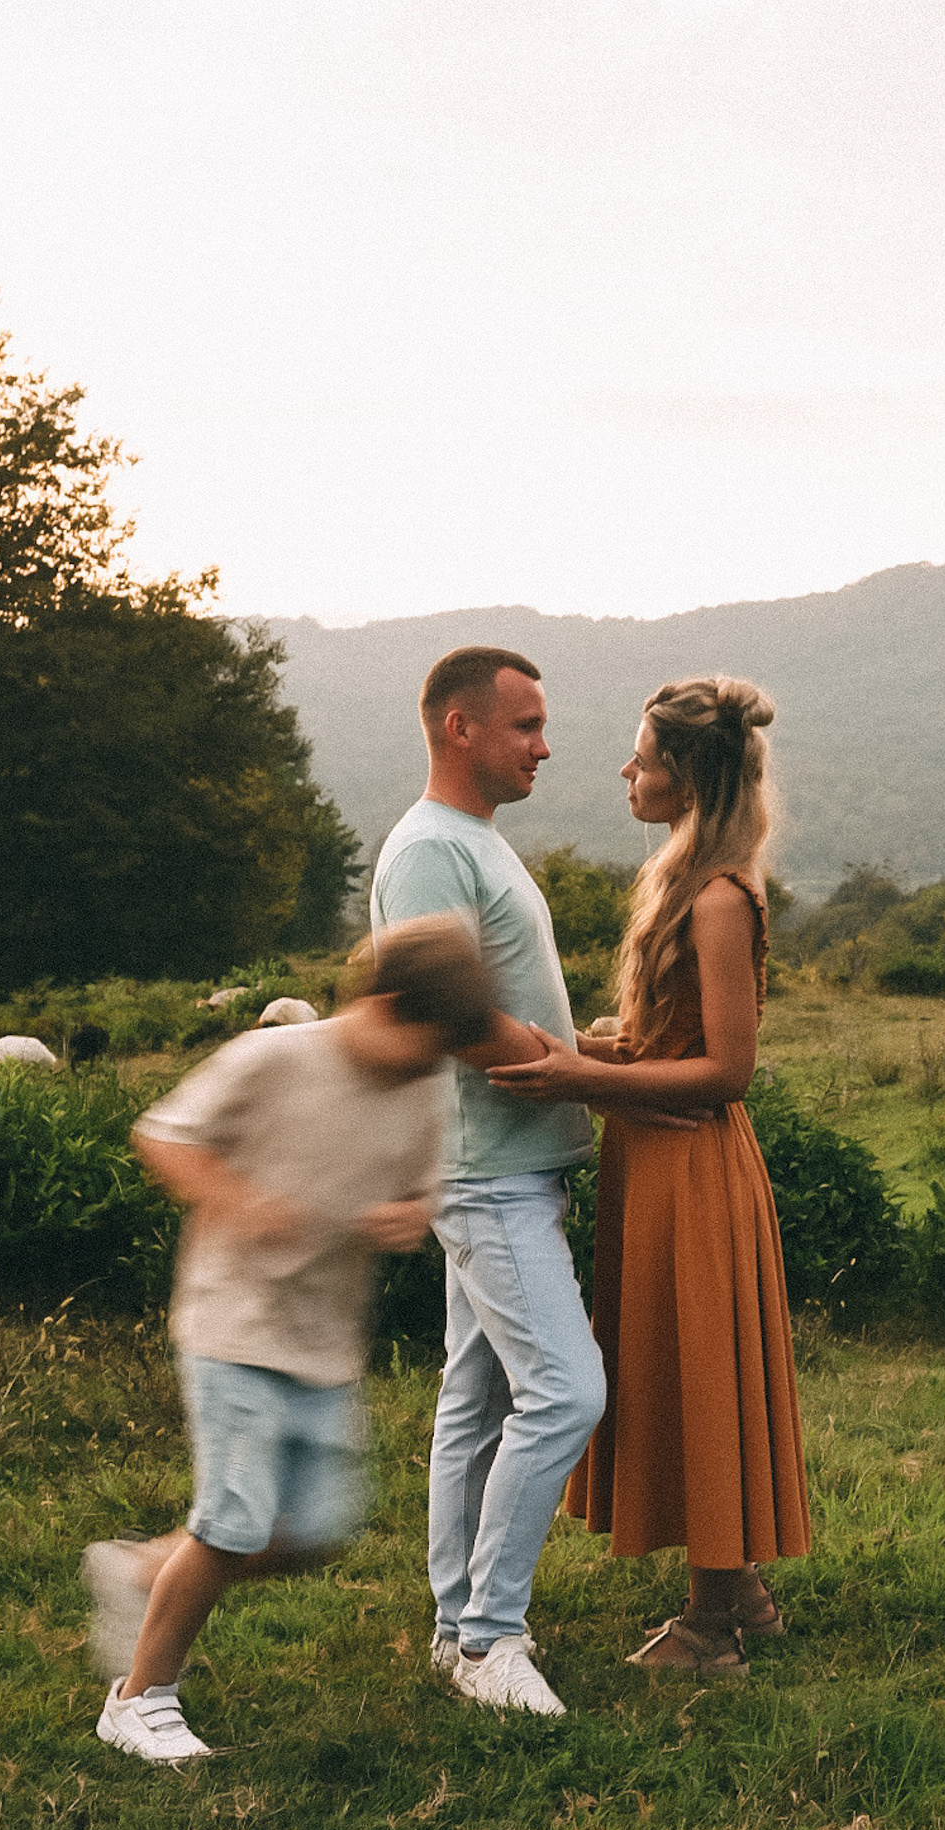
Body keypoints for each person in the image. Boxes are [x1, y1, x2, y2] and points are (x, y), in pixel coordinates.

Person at [84, 917, 494, 1763]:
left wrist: (408, 1216)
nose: (435, 1064)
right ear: (383, 1004)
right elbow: (162, 1135)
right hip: (230, 1319)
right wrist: (238, 1203)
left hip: (325, 1341)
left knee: (314, 1530)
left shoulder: (425, 1087)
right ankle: (138, 1699)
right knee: (233, 1521)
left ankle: (139, 1573)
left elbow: (426, 1189)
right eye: (428, 1043)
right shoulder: (273, 1057)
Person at [490, 676, 810, 1675]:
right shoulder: (683, 878)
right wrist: (615, 1053)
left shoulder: (718, 897)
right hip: (653, 1157)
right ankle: (740, 1591)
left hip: (694, 1169)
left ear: (687, 777)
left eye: (641, 757)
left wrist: (581, 1077)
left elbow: (728, 1070)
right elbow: (682, 1040)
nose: (625, 771)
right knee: (674, 1369)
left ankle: (711, 1626)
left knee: (697, 1372)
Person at [370, 646, 607, 1717]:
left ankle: (450, 1631)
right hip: (484, 1173)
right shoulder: (427, 851)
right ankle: (487, 1638)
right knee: (567, 1390)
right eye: (524, 726)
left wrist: (582, 1048)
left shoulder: (475, 844)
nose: (543, 746)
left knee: (475, 1405)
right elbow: (445, 1012)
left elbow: (500, 998)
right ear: (458, 728)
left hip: (514, 1166)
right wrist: (577, 1072)